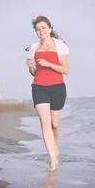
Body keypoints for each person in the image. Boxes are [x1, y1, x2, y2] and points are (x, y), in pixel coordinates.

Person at [26, 16, 69, 172]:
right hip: (39, 87)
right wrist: (30, 66)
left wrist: (49, 64)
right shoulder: (34, 47)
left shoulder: (60, 46)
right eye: (38, 29)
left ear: (50, 28)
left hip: (57, 87)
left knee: (54, 124)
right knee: (45, 123)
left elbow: (66, 70)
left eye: (43, 28)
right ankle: (52, 159)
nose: (41, 31)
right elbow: (33, 72)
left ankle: (54, 146)